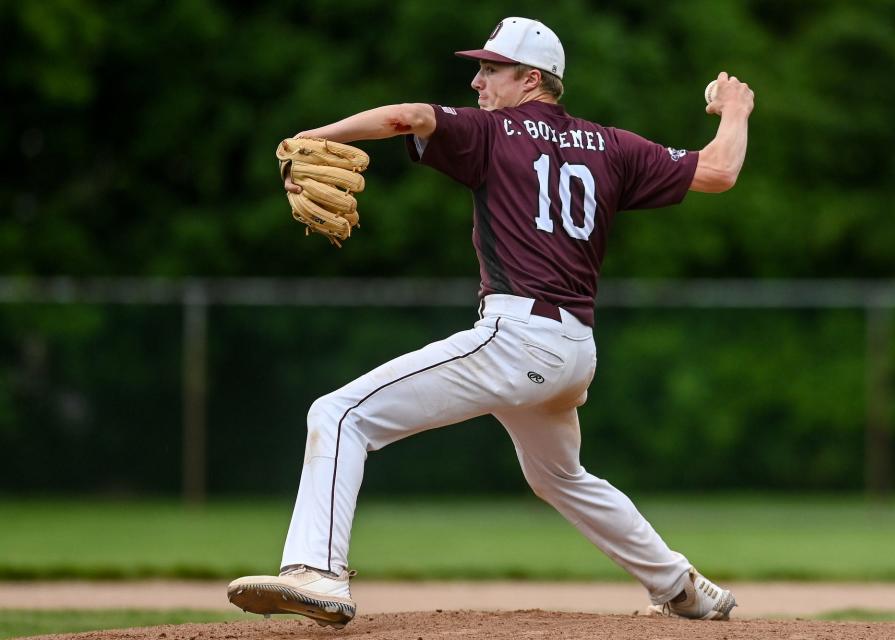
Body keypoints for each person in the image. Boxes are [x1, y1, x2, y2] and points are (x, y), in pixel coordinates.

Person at [227, 16, 754, 628]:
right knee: (561, 477)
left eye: (490, 69)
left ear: (531, 79)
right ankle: (682, 587)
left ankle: (315, 571)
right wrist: (735, 111)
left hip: (518, 338)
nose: (477, 82)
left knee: (340, 414)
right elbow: (719, 172)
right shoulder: (611, 145)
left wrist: (314, 134)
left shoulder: (494, 132)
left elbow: (410, 116)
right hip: (575, 349)